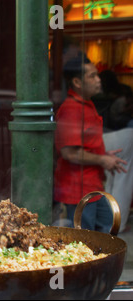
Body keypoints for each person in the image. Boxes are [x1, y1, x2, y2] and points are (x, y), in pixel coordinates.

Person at [54, 52, 127, 233]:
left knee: (107, 228)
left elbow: (85, 145)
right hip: (78, 189)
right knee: (85, 240)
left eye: (97, 75)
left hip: (92, 185)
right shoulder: (71, 109)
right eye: (92, 76)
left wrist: (103, 155)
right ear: (77, 83)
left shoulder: (87, 104)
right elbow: (69, 153)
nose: (98, 80)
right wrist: (102, 160)